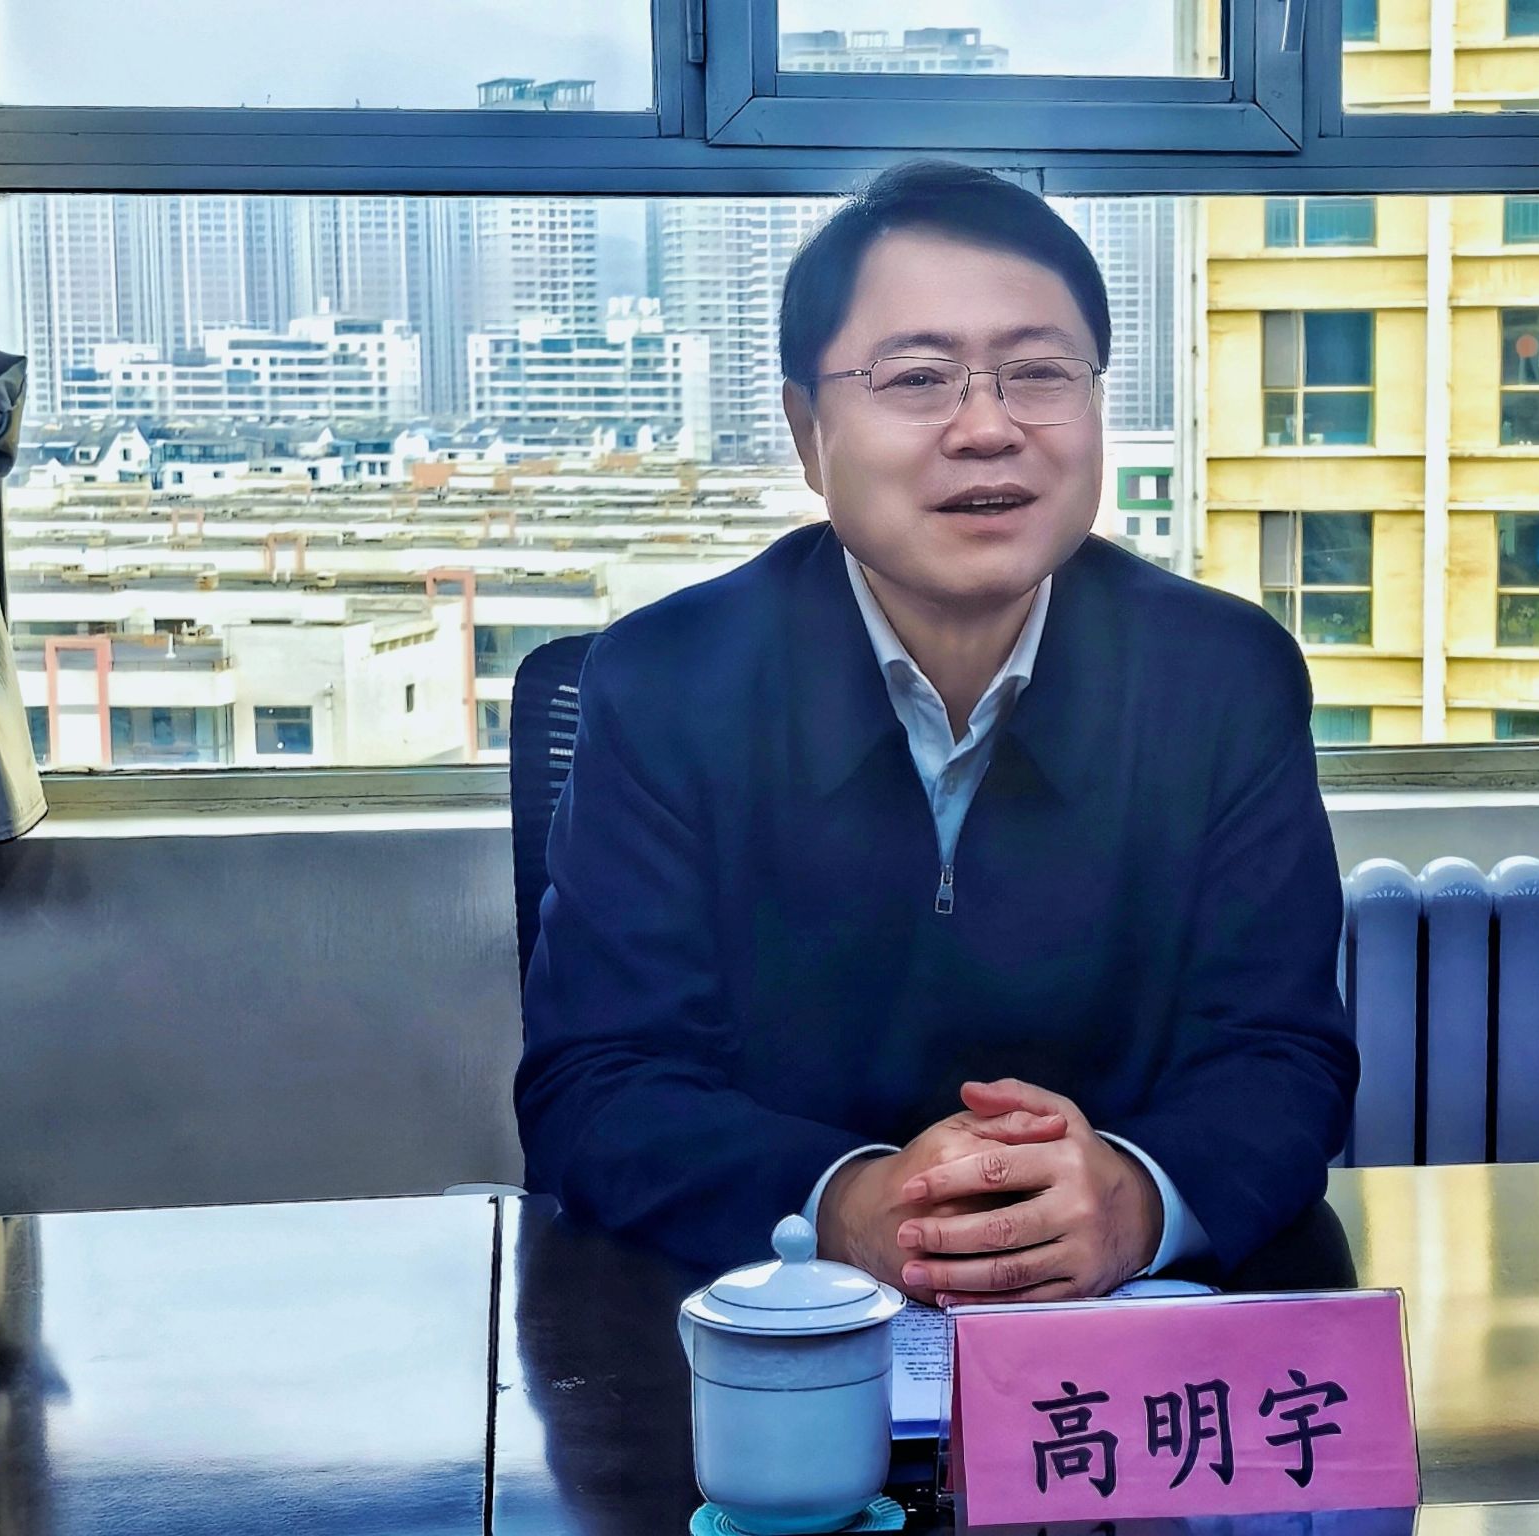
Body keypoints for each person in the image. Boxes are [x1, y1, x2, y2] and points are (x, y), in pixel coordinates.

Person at [516, 159, 1357, 1306]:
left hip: (1121, 1335)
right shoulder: (664, 683)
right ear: (808, 431)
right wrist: (849, 1208)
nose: (987, 428)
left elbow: (1283, 1058)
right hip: (772, 1330)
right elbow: (596, 1085)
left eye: (1039, 373)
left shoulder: (1223, 676)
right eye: (916, 379)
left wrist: (1133, 1198)